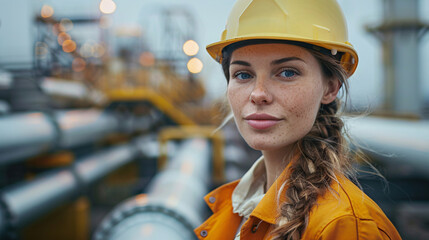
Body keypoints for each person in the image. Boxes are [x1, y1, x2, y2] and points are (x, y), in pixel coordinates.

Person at [194, 0, 402, 239]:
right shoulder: (238, 207)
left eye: (287, 72)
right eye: (243, 74)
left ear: (330, 88)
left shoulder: (347, 227)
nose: (258, 93)